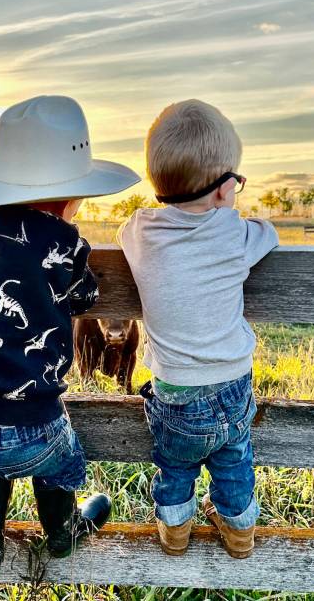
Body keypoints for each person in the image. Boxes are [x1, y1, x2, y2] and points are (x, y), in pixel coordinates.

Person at [0, 95, 140, 576]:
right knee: (57, 456)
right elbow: (84, 299)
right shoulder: (64, 241)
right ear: (69, 200)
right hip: (34, 428)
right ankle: (62, 533)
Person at [119, 99, 278, 558]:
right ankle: (240, 533)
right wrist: (230, 212)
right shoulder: (234, 235)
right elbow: (269, 233)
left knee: (174, 465)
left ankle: (174, 532)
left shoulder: (140, 232)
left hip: (174, 389)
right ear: (226, 190)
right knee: (234, 462)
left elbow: (123, 232)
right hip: (233, 383)